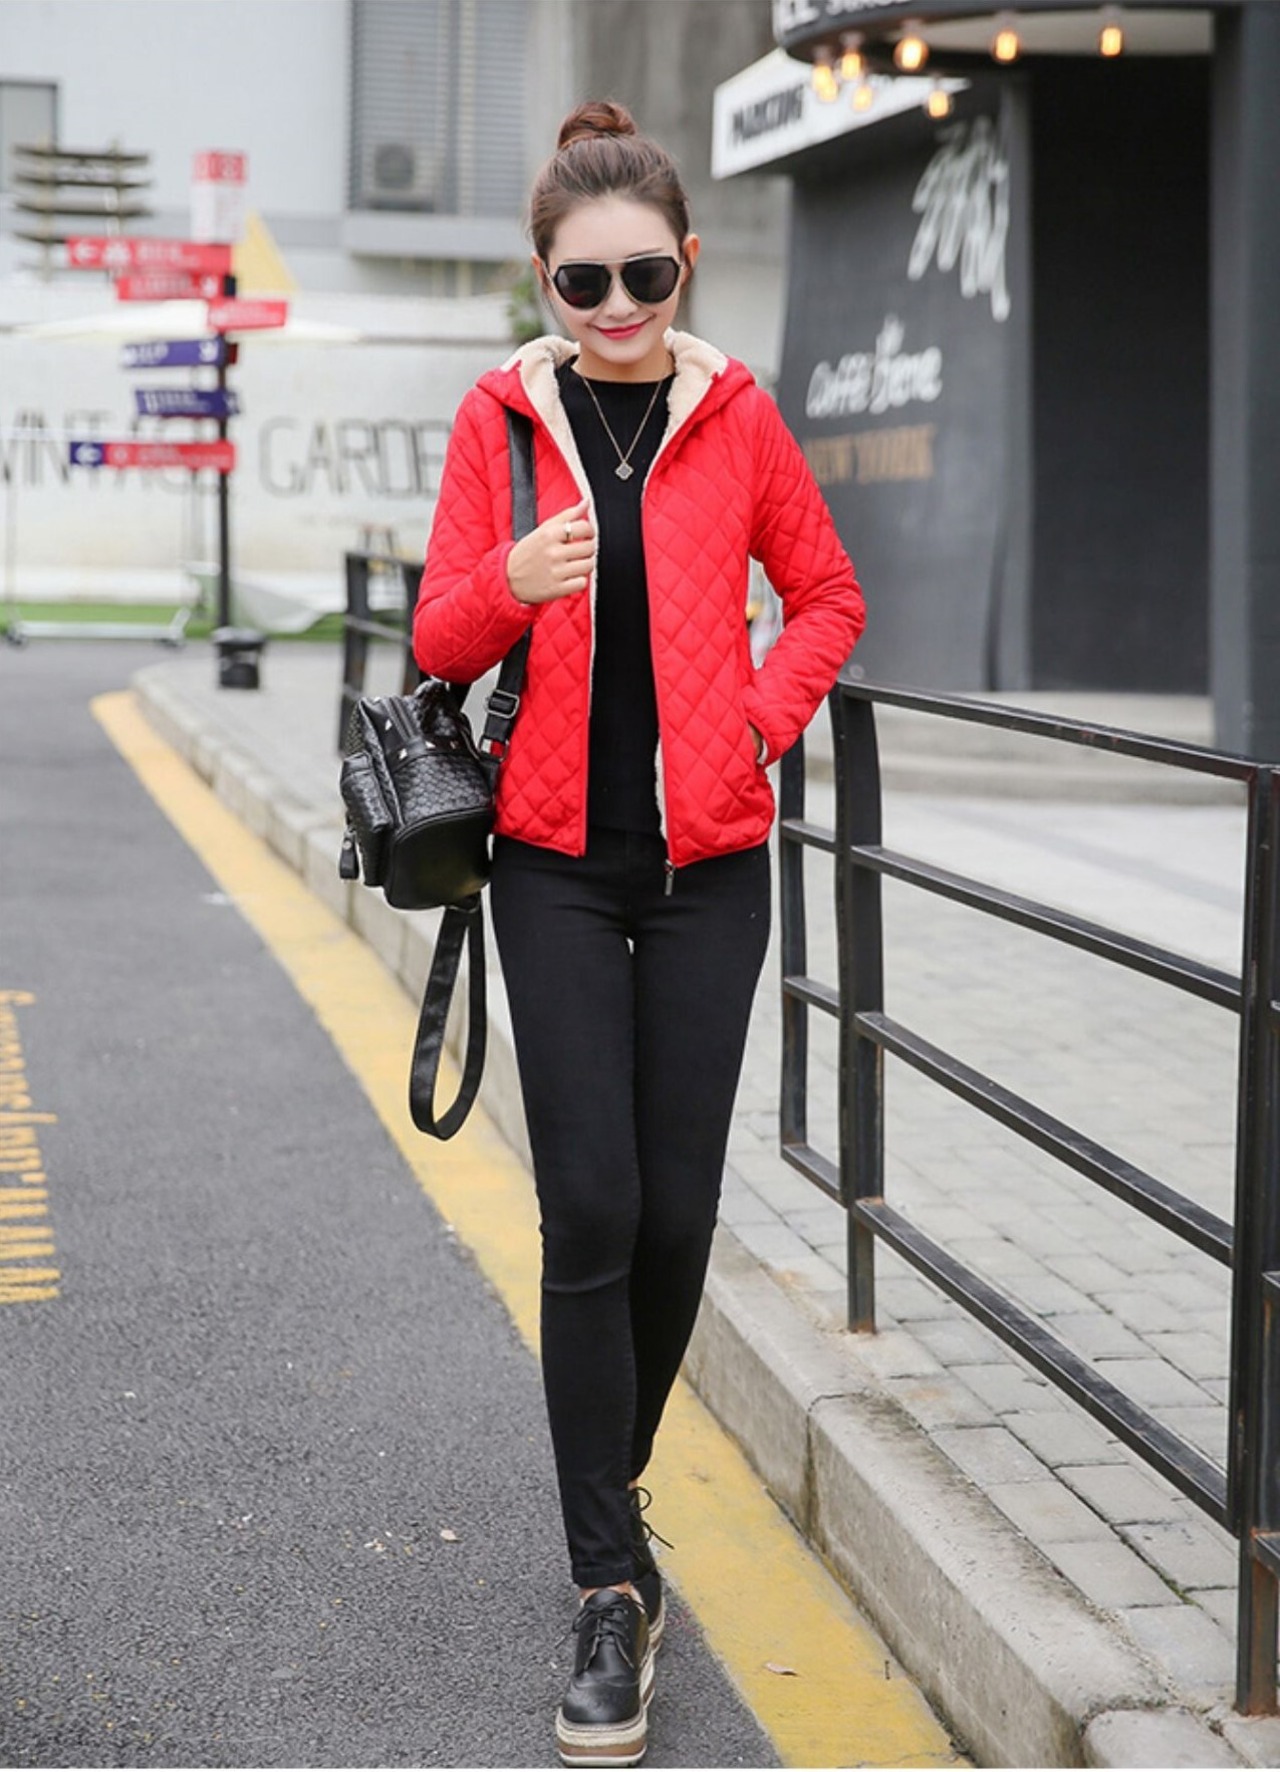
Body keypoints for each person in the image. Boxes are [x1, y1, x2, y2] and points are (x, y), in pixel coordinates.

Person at [414, 99, 864, 1768]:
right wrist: (511, 582)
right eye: (583, 283)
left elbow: (828, 596)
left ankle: (609, 1489)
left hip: (708, 869)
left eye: (645, 278)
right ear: (544, 280)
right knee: (590, 1204)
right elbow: (436, 636)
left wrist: (751, 725)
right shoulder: (500, 420)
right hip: (549, 864)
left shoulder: (736, 416)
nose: (616, 310)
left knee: (676, 1215)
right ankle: (609, 1582)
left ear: (686, 264)